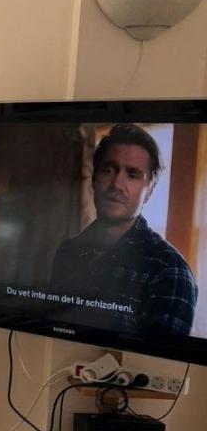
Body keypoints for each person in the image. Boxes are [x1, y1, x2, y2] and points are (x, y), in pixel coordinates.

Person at [50, 123, 197, 337]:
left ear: (149, 191)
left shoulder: (170, 270)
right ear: (94, 178)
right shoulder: (68, 251)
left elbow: (150, 355)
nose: (117, 184)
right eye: (109, 170)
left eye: (133, 174)